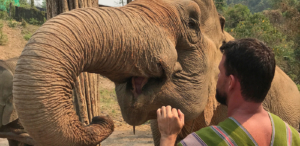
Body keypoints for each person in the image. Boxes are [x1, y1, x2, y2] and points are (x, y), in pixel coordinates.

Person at [156, 38, 300, 146]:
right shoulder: (292, 138)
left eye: (220, 72)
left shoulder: (202, 142)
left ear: (230, 82)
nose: (217, 78)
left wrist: (168, 137)